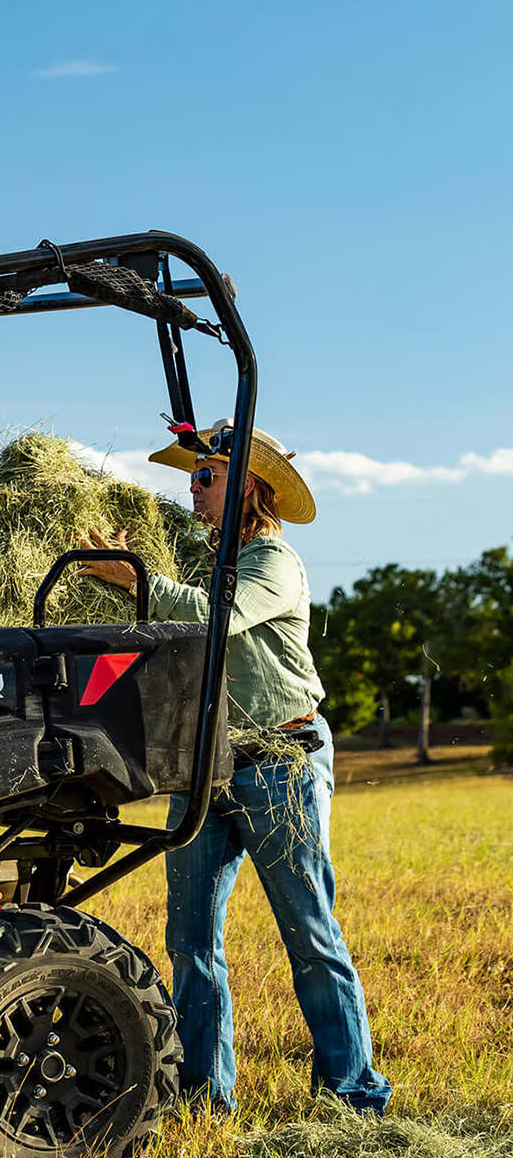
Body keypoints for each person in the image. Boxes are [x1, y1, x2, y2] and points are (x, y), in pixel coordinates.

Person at [78, 418, 389, 1116]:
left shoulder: (273, 563)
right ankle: (202, 1096)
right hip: (204, 769)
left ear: (246, 485)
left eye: (207, 476)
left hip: (280, 762)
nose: (192, 488)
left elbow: (212, 619)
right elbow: (173, 615)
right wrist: (120, 576)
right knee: (189, 941)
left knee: (309, 933)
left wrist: (134, 578)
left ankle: (354, 1094)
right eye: (192, 474)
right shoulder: (203, 562)